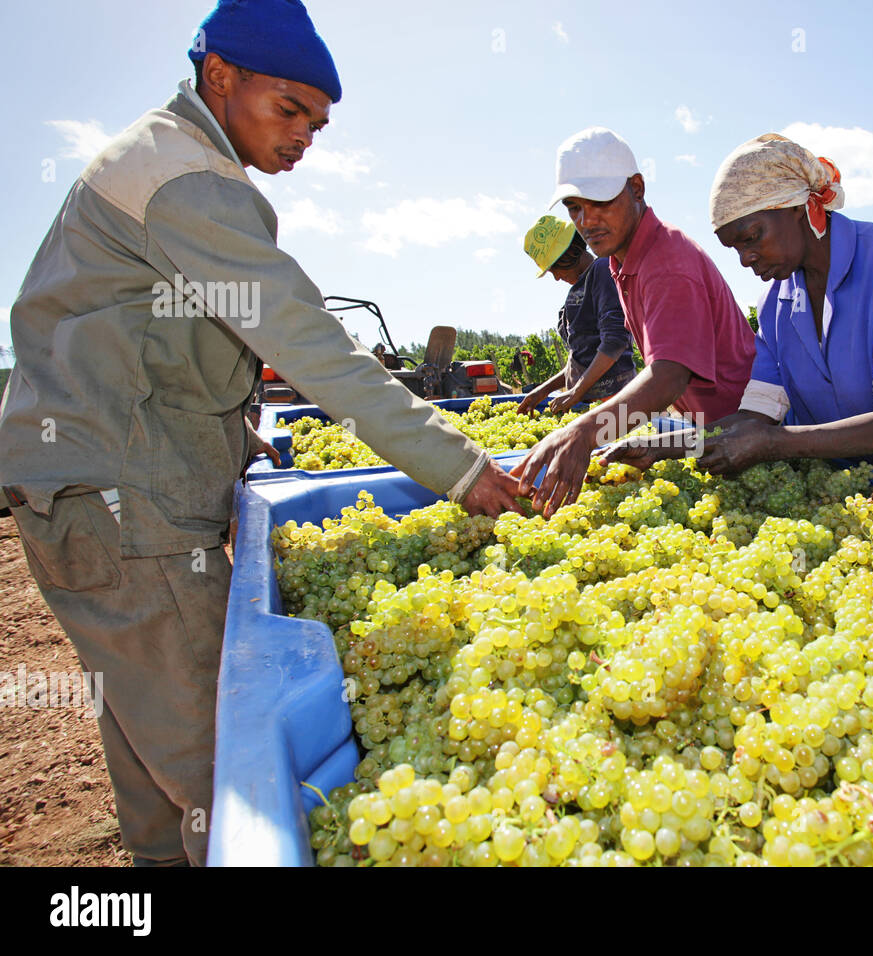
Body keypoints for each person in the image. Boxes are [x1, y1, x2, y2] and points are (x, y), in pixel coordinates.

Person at [0, 0, 519, 867]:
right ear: (220, 78)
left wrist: (237, 435)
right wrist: (465, 470)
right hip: (129, 511)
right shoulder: (185, 177)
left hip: (96, 496)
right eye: (290, 110)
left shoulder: (171, 160)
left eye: (317, 123)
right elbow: (312, 345)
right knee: (224, 779)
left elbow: (165, 346)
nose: (306, 138)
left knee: (149, 756)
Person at [608, 133, 873, 486]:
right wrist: (666, 446)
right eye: (736, 249)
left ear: (796, 209)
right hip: (858, 493)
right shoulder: (775, 306)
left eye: (752, 237)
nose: (746, 259)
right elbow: (755, 417)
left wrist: (774, 444)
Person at [513, 127, 757, 515]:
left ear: (637, 189)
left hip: (751, 435)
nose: (587, 220)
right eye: (575, 208)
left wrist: (584, 432)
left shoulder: (667, 265)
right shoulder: (621, 264)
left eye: (600, 202)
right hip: (715, 434)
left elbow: (668, 377)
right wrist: (659, 445)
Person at [517, 214, 636, 415]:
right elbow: (583, 359)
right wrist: (544, 390)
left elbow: (615, 341)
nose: (555, 277)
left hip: (614, 400)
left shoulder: (602, 270)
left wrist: (576, 392)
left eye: (554, 267)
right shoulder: (581, 286)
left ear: (568, 254)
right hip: (590, 403)